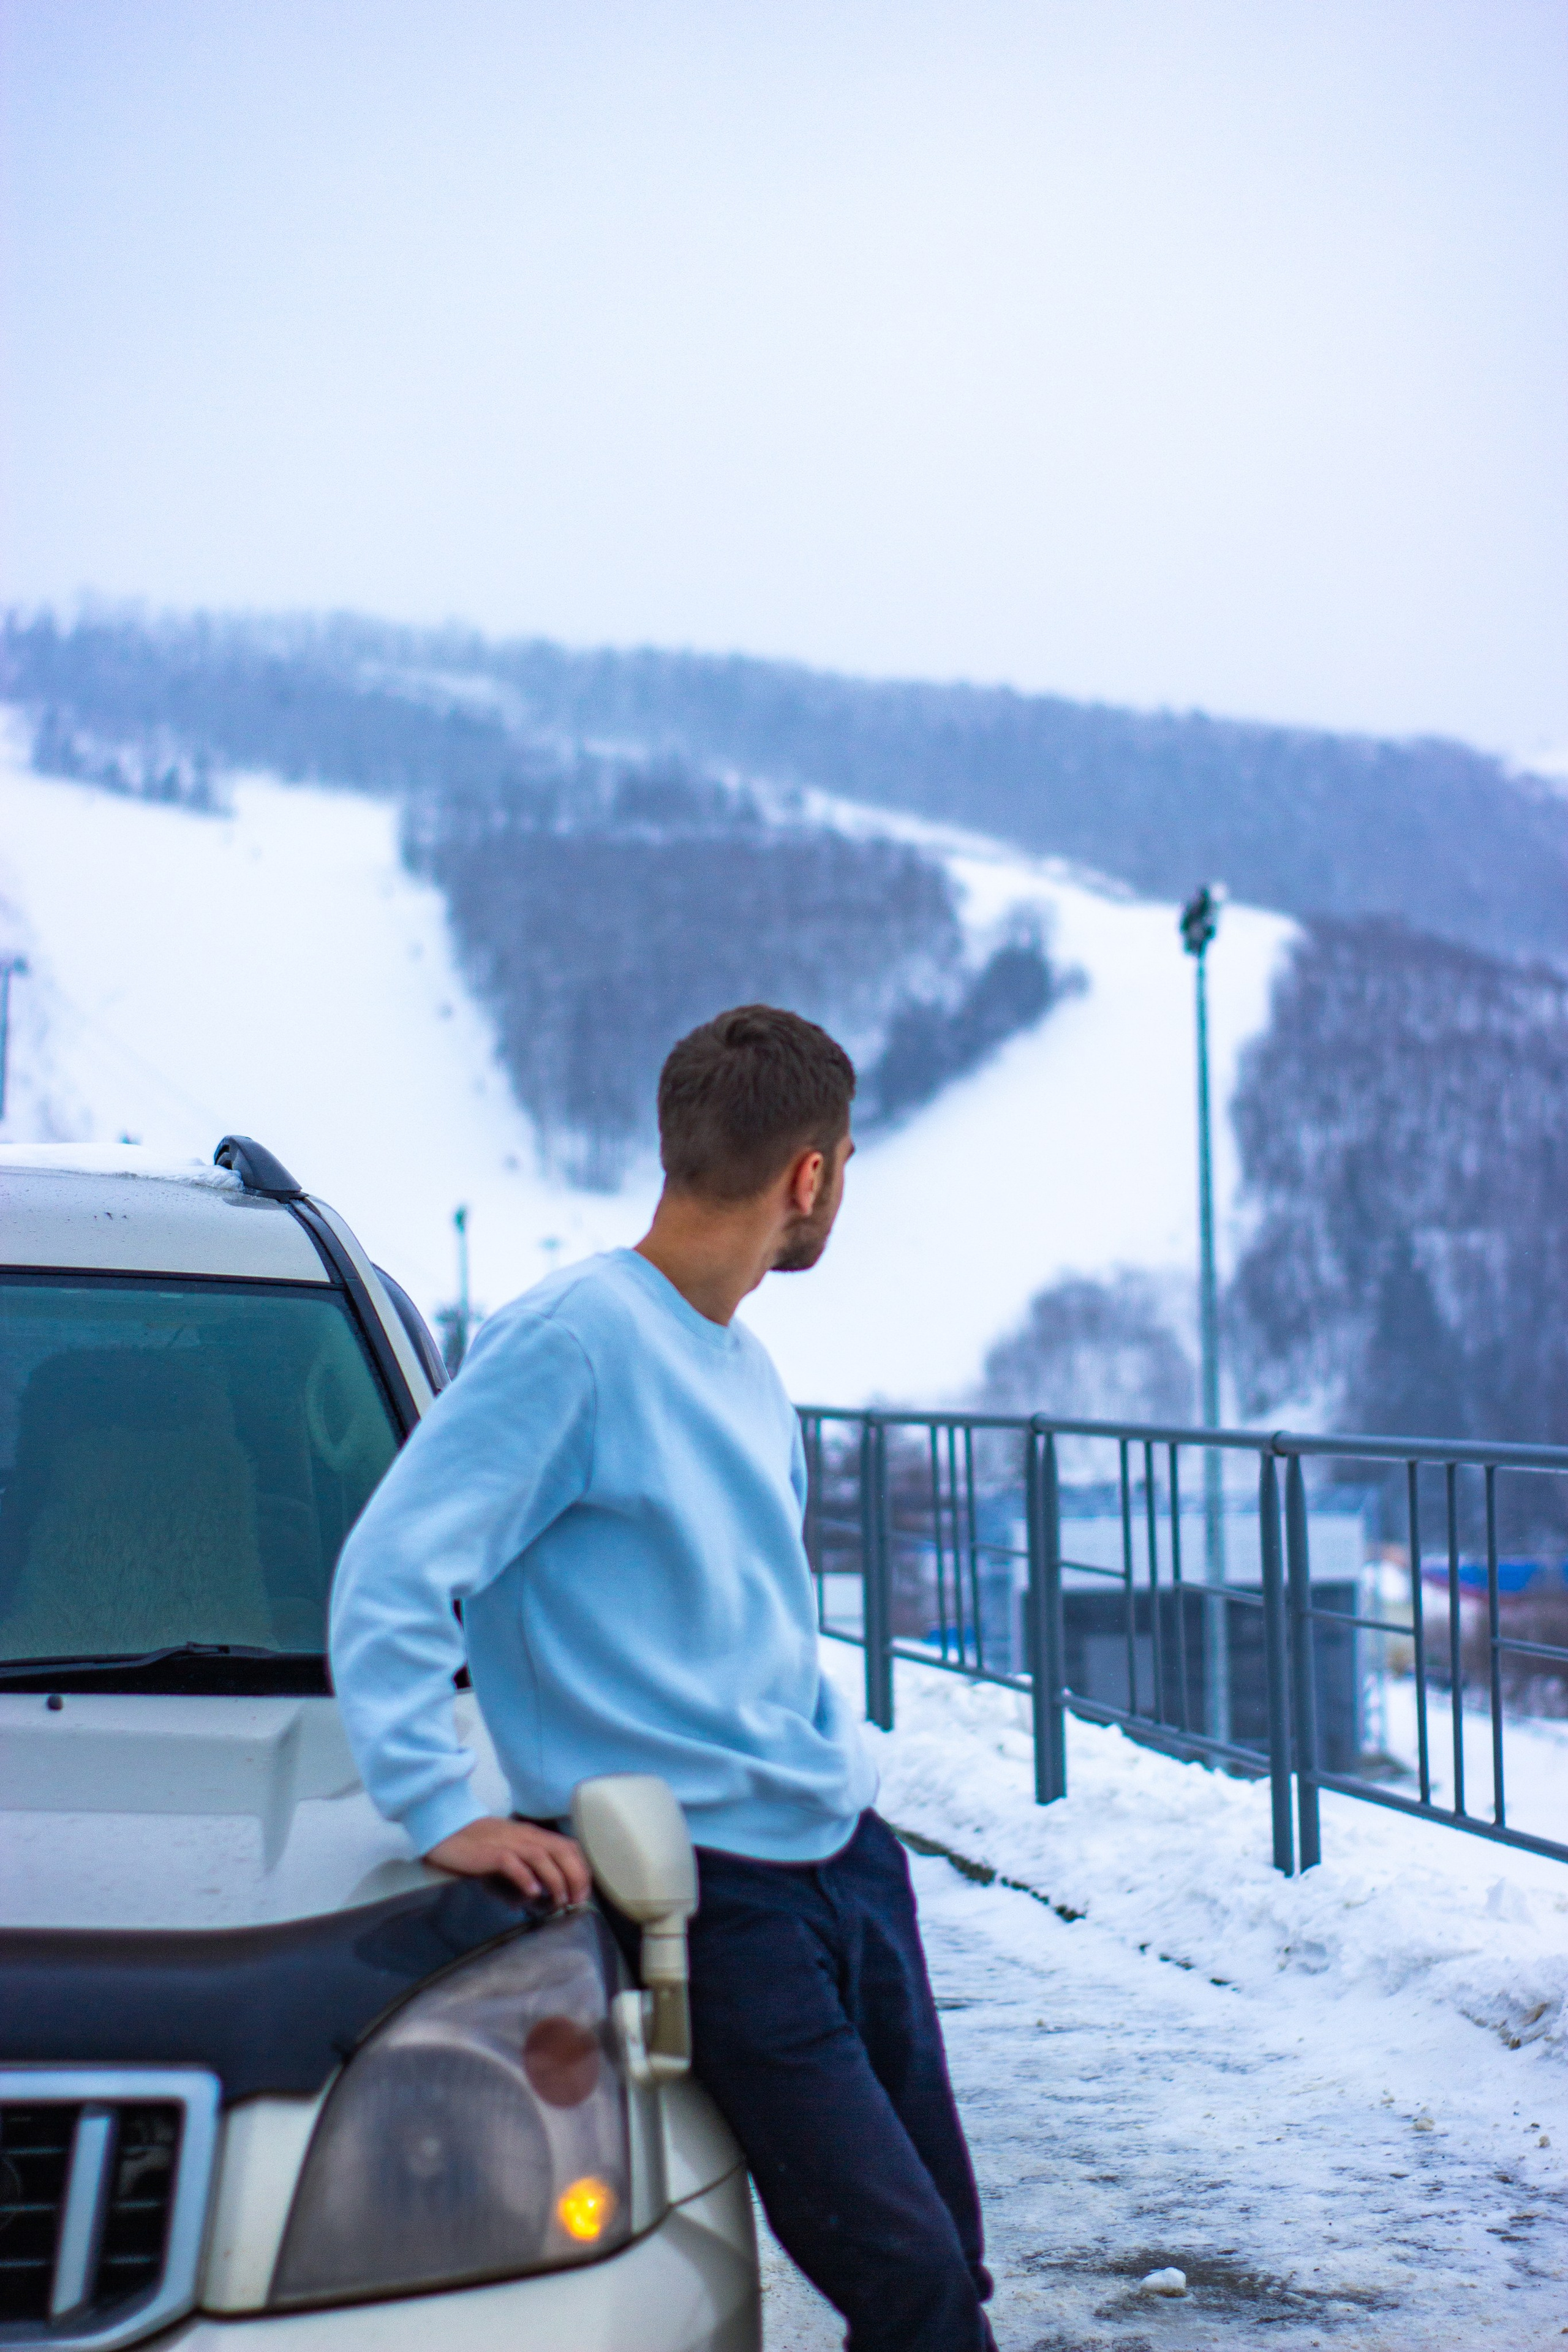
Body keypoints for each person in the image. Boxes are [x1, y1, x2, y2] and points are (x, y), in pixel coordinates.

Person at [330, 1003, 996, 2352]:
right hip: (716, 1894)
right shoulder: (571, 1341)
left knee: (946, 2263)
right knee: (910, 2282)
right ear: (808, 1176)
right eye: (845, 1164)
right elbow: (393, 1568)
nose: (839, 1191)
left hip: (845, 1858)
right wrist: (436, 1803)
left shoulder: (745, 1366)